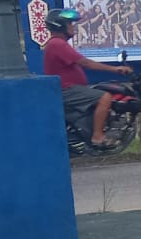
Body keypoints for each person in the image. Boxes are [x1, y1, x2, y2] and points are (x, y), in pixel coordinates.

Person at [42, 8, 133, 147]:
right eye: (69, 23)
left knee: (104, 91)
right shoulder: (57, 44)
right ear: (60, 26)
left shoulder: (58, 44)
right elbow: (86, 63)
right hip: (66, 90)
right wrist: (115, 69)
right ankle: (98, 136)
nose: (72, 26)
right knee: (105, 97)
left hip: (71, 89)